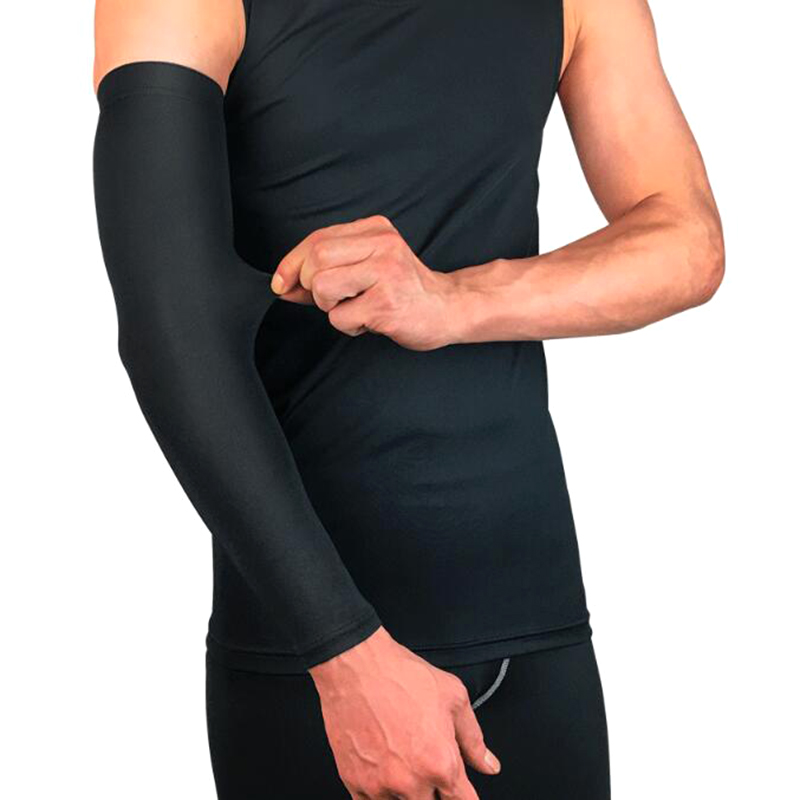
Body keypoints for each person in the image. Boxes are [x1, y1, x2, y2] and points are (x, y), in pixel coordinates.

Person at [92, 0, 724, 797]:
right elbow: (171, 333)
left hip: (538, 629)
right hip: (315, 662)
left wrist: (453, 301)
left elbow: (686, 239)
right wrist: (343, 652)